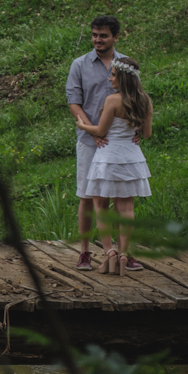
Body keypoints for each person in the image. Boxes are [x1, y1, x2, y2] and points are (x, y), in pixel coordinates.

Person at [76, 57, 152, 276]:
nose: (110, 79)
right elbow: (147, 134)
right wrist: (136, 132)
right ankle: (124, 254)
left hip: (108, 156)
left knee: (100, 205)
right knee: (126, 208)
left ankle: (109, 251)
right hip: (131, 156)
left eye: (113, 75)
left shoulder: (112, 100)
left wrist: (83, 125)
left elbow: (101, 131)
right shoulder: (145, 101)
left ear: (123, 78)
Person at [66, 15, 126, 270]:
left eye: (103, 36)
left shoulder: (125, 64)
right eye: (94, 35)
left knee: (121, 197)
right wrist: (93, 131)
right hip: (89, 141)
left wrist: (135, 128)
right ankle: (85, 252)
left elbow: (135, 98)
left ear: (115, 37)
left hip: (119, 141)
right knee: (87, 196)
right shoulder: (79, 65)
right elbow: (73, 102)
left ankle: (123, 252)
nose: (97, 40)